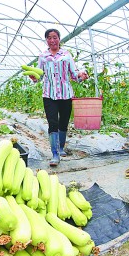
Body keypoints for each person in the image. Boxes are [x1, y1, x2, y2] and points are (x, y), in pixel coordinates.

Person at [28, 29, 89, 166]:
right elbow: (40, 76)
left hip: (66, 94)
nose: (52, 40)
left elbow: (74, 74)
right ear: (46, 40)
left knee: (63, 123)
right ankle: (55, 154)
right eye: (49, 38)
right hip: (49, 94)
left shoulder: (66, 55)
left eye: (55, 37)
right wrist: (34, 77)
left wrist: (81, 76)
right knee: (53, 123)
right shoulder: (43, 56)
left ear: (59, 39)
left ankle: (61, 148)